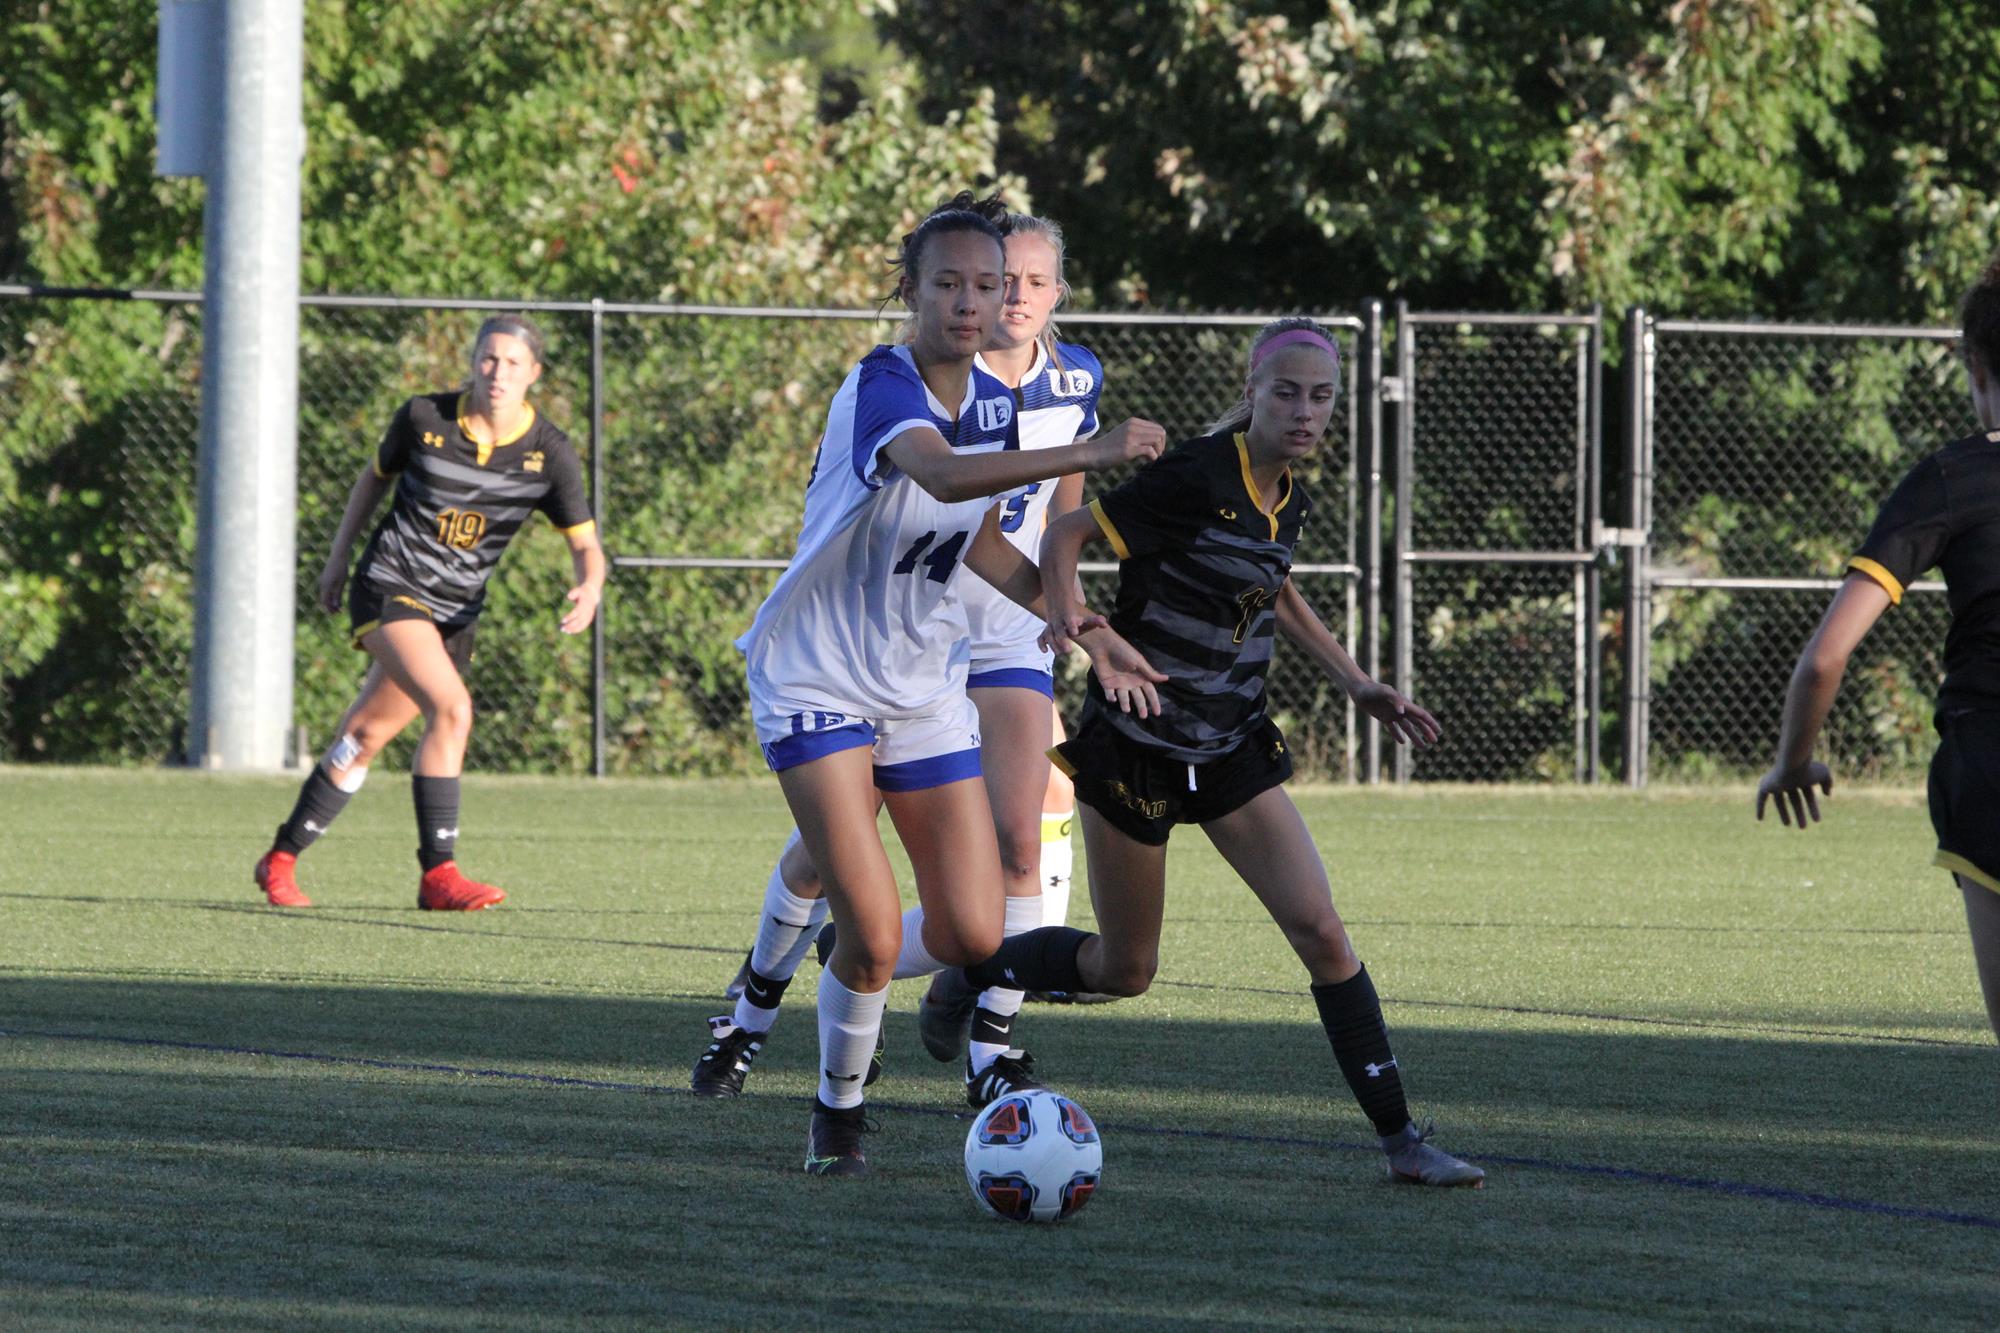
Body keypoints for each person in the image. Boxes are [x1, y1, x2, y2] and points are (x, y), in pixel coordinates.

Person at [940, 317, 1488, 1187]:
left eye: (1321, 397)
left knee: (1322, 930)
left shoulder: (1289, 492)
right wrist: (1078, 623)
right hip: (1140, 742)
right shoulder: (1196, 474)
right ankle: (981, 968)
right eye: (1288, 393)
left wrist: (1356, 682)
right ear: (1251, 391)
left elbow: (1275, 585)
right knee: (1127, 971)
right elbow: (1063, 535)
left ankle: (1401, 1141)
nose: (1305, 413)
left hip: (1230, 743)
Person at [730, 195, 1167, 1177]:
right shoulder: (882, 383)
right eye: (950, 283)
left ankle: (826, 952)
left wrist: (1084, 630)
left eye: (986, 284)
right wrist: (1090, 452)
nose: (972, 302)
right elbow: (941, 472)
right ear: (910, 291)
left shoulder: (992, 402)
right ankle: (836, 1111)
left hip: (918, 678)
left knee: (974, 931)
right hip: (815, 674)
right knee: (882, 938)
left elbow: (975, 539)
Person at [252, 315, 603, 911]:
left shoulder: (549, 451)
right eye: (489, 359)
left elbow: (585, 544)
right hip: (391, 586)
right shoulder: (424, 418)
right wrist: (337, 561)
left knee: (364, 735)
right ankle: (438, 873)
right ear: (473, 361)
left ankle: (280, 858)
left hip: (455, 611)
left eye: (513, 364)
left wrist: (589, 586)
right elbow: (372, 483)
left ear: (534, 374)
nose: (498, 373)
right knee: (453, 708)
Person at [1756, 257, 2000, 1042]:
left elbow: (1825, 658)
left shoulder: (1951, 478)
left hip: (1989, 763)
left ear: (1975, 364)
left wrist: (1795, 760)